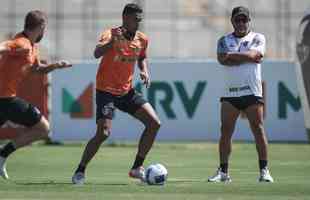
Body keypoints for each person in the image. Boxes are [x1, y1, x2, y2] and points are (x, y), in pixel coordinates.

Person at [72, 3, 161, 185]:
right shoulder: (111, 34)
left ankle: (136, 168)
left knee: (154, 123)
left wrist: (144, 70)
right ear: (125, 18)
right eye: (136, 19)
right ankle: (80, 170)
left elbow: (142, 56)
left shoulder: (142, 39)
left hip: (126, 91)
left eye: (140, 20)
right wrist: (113, 42)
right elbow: (97, 53)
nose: (138, 23)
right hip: (106, 91)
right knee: (103, 133)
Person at [0, 10, 72, 179]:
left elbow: (37, 70)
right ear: (40, 27)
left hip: (5, 98)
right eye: (44, 28)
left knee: (42, 129)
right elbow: (5, 46)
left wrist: (55, 66)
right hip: (5, 100)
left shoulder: (33, 46)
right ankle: (3, 153)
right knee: (43, 129)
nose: (44, 32)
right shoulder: (22, 43)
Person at [208, 6, 274, 183]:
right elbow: (223, 59)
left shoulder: (258, 37)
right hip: (230, 94)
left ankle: (264, 171)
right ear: (232, 21)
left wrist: (234, 56)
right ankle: (223, 172)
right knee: (225, 131)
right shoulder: (223, 40)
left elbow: (256, 56)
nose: (241, 23)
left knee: (258, 129)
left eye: (244, 19)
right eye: (238, 19)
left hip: (252, 92)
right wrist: (246, 56)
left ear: (249, 21)